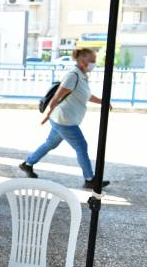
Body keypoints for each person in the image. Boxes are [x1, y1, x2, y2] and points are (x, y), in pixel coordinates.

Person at [19, 48, 110, 189]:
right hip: (65, 121)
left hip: (62, 119)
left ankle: (28, 164)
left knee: (50, 143)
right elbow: (57, 97)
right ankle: (90, 179)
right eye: (92, 61)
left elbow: (86, 95)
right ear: (82, 61)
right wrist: (46, 115)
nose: (94, 64)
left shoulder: (82, 76)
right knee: (81, 146)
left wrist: (102, 101)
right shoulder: (72, 76)